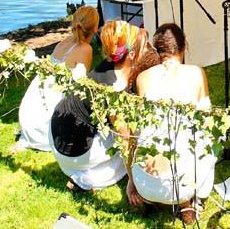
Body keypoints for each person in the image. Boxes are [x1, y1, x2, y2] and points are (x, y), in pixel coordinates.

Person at [49, 20, 159, 191]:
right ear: (131, 55)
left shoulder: (109, 65)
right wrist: (132, 181)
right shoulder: (114, 88)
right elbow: (124, 141)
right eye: (144, 46)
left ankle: (82, 173)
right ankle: (85, 178)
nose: (149, 49)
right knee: (132, 143)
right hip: (74, 151)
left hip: (57, 135)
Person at [126, 24, 215, 224]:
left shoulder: (142, 78)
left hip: (144, 183)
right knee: (210, 136)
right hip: (183, 184)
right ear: (183, 47)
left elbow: (135, 135)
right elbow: (207, 121)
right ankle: (192, 201)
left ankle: (154, 197)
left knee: (150, 134)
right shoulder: (196, 73)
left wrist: (132, 180)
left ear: (157, 49)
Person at [13, 5, 99, 153]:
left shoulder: (64, 42)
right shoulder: (85, 49)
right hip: (49, 114)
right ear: (95, 28)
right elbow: (81, 85)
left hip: (33, 108)